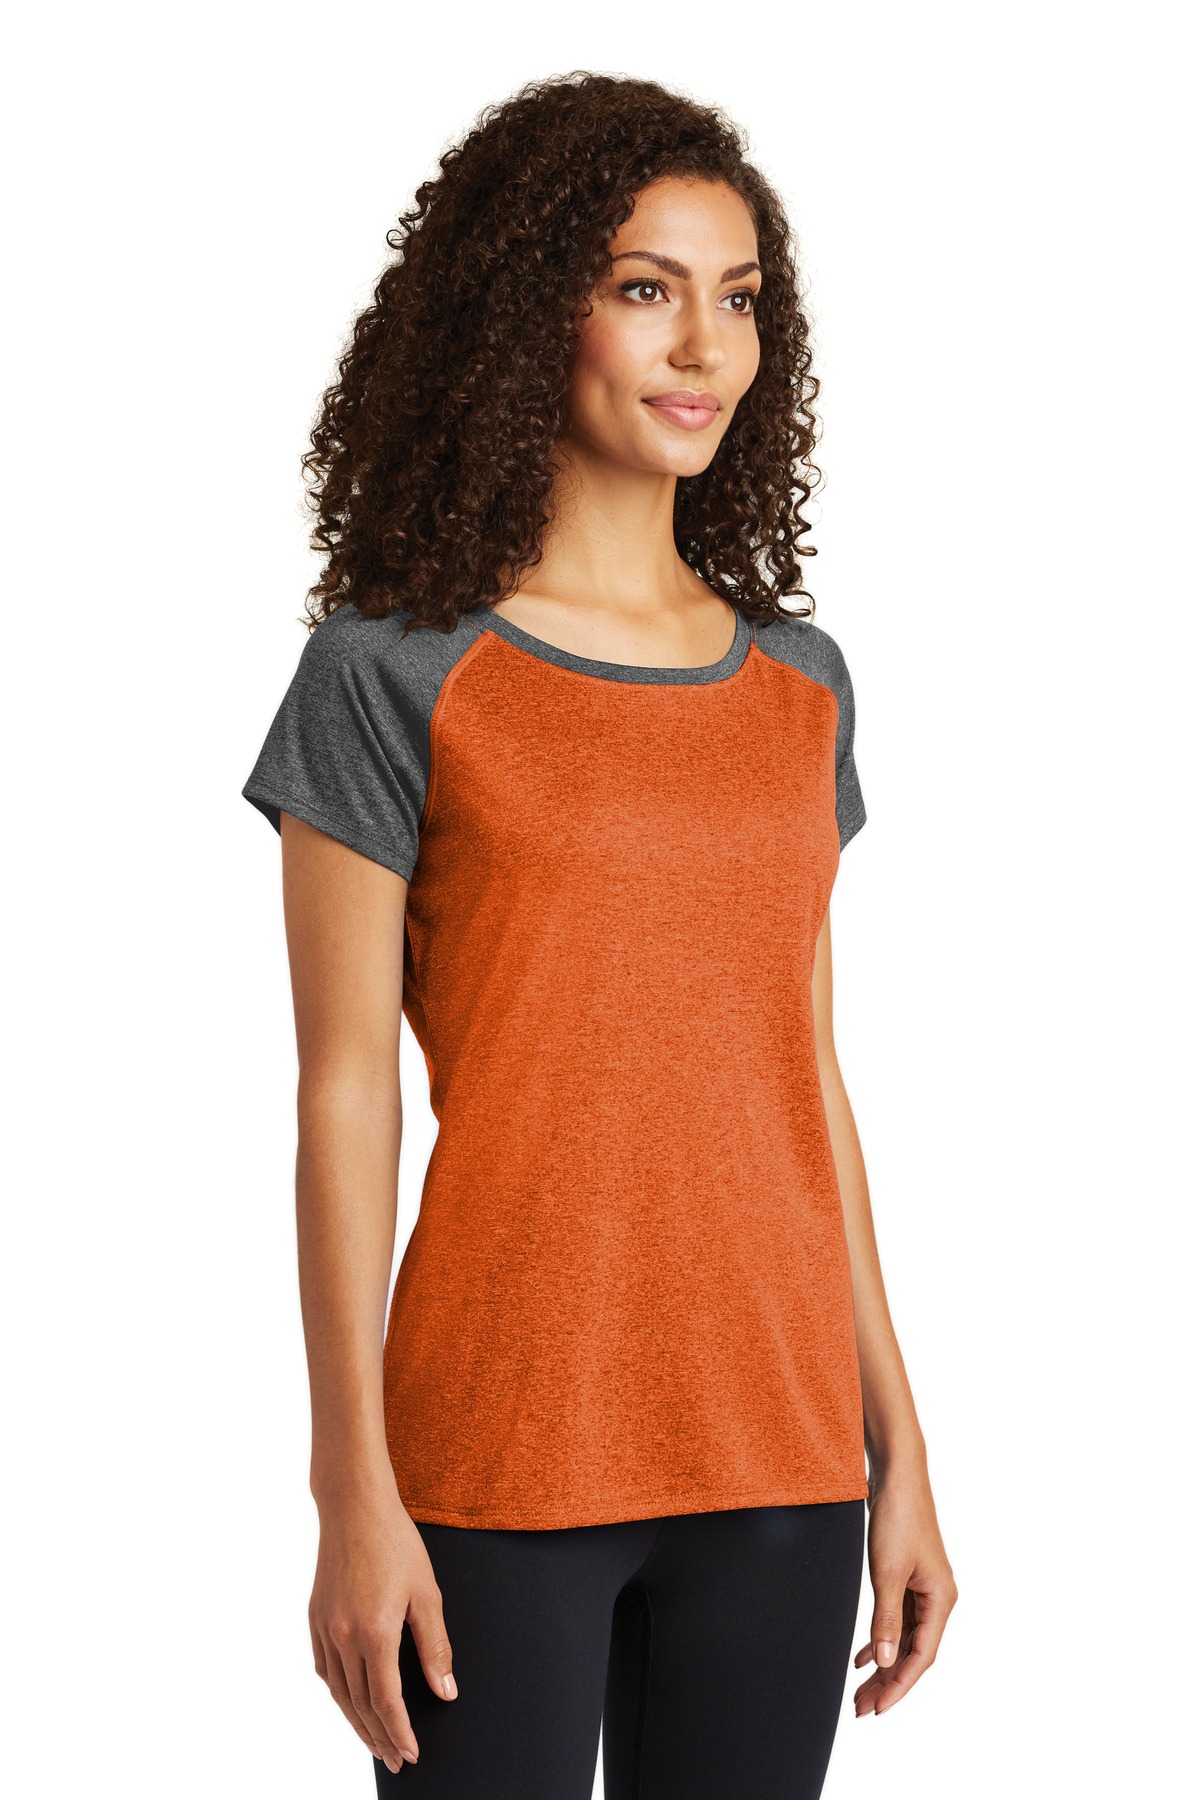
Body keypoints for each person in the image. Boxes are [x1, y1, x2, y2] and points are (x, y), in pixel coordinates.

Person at [241, 71, 957, 1799]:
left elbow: (805, 1079)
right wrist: (350, 1488)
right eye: (647, 288)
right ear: (525, 313)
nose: (704, 346)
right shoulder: (394, 669)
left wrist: (901, 1443)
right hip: (496, 1445)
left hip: (781, 1458)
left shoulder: (799, 686)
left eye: (740, 298)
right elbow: (344, 1095)